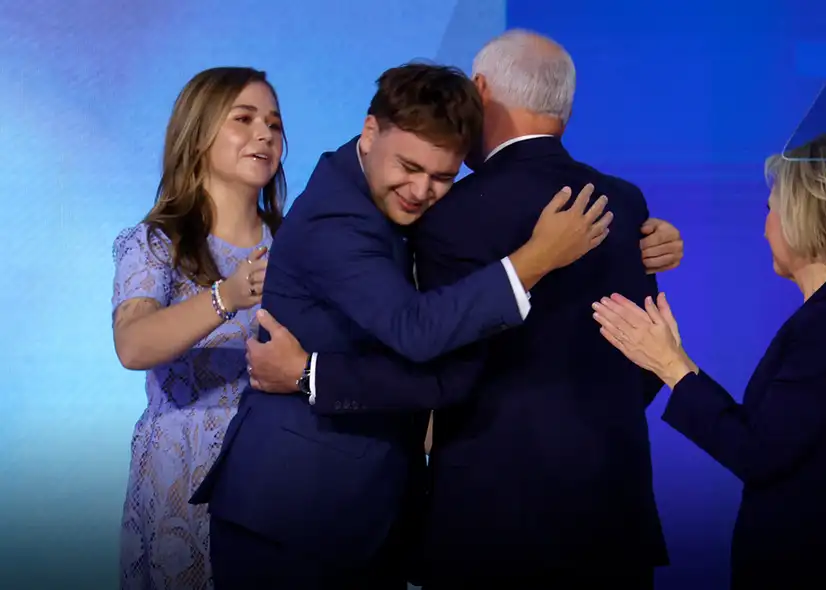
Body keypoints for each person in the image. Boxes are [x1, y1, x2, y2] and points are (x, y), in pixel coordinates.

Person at [246, 31, 675, 590]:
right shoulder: (622, 201)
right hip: (612, 513)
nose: (425, 189)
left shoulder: (454, 214)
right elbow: (643, 363)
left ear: (479, 91)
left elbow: (446, 369)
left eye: (439, 176)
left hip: (489, 516)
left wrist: (309, 374)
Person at [592, 133, 826, 590]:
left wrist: (672, 367)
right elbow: (774, 440)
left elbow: (758, 453)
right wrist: (676, 363)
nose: (765, 227)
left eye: (770, 209)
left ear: (804, 213)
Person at [111, 67, 285, 589]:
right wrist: (225, 296)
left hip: (275, 472)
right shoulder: (155, 243)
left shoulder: (298, 245)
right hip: (181, 475)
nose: (265, 135)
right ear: (198, 132)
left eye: (274, 124)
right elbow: (134, 343)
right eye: (244, 119)